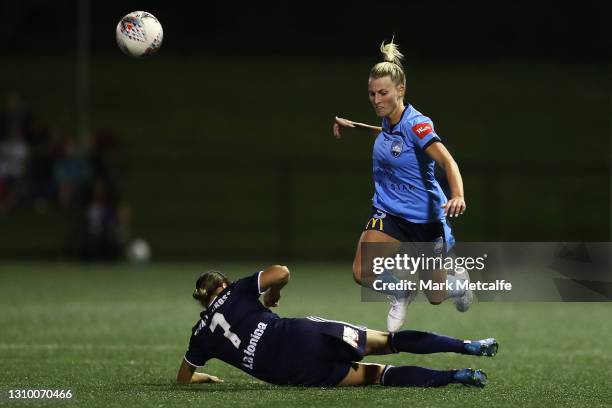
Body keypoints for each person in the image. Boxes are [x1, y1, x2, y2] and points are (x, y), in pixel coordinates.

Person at [332, 38, 471, 332]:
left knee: (435, 295)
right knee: (362, 271)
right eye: (371, 93)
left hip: (425, 219)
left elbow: (448, 162)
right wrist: (354, 126)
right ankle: (401, 292)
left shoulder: (417, 125)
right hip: (389, 212)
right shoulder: (389, 120)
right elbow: (390, 138)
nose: (376, 99)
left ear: (401, 90)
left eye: (383, 93)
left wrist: (457, 195)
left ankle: (459, 286)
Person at [177, 265, 498, 388]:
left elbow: (183, 378)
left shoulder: (200, 335)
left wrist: (200, 375)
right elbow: (281, 271)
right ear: (225, 284)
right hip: (303, 335)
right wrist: (272, 295)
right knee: (390, 341)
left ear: (203, 301)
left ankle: (456, 376)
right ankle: (466, 345)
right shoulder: (237, 290)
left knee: (379, 376)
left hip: (290, 371)